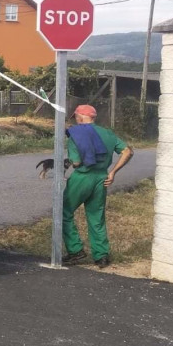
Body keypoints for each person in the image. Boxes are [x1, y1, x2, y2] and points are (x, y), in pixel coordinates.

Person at [62, 104, 134, 268]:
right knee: (96, 218)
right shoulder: (107, 133)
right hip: (102, 178)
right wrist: (113, 172)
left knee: (63, 212)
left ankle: (75, 250)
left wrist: (68, 163)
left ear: (80, 116)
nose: (76, 119)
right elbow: (127, 151)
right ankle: (101, 256)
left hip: (82, 177)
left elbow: (77, 162)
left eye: (76, 117)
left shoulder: (76, 134)